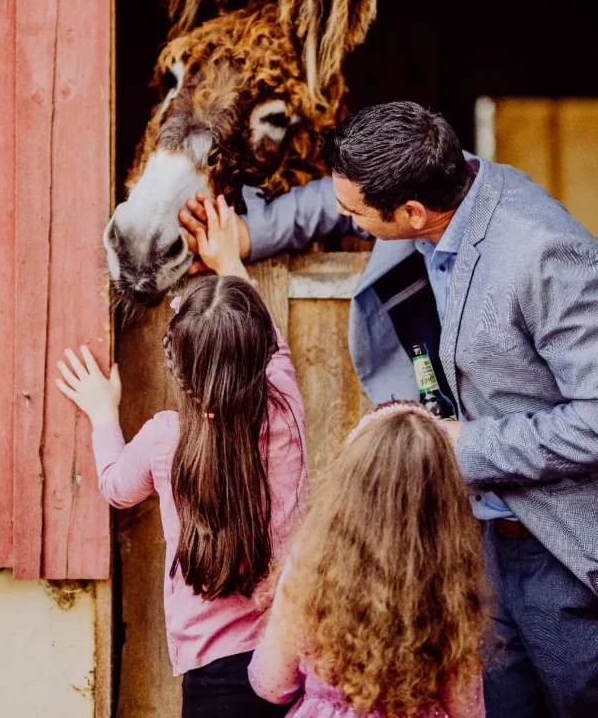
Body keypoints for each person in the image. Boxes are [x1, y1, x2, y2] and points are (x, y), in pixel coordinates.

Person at [180, 100, 598, 718]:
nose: (343, 219)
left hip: (552, 548)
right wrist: (248, 234)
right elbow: (335, 198)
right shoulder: (444, 183)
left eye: (356, 215)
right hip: (474, 538)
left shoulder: (545, 255)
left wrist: (465, 447)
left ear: (409, 213)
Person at [56, 196, 307, 718]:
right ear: (260, 352)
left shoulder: (164, 437)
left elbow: (116, 488)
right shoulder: (284, 410)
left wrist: (104, 413)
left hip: (211, 672)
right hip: (291, 658)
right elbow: (272, 348)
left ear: (180, 368)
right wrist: (230, 265)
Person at [248, 401, 487, 718]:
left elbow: (272, 683)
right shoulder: (450, 579)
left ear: (349, 480)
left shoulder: (312, 557)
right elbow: (467, 709)